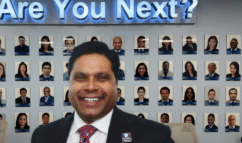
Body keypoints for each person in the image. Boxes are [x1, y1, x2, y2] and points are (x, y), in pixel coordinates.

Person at [32, 41, 174, 143]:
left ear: (116, 83)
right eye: (81, 77)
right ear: (70, 82)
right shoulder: (43, 136)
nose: (91, 87)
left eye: (102, 78)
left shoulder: (155, 136)